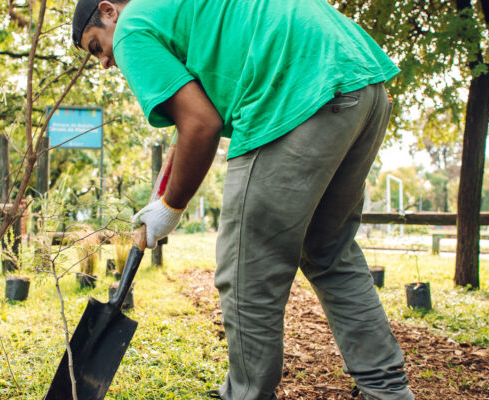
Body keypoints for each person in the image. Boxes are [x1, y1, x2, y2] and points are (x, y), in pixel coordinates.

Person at [71, 0, 414, 399]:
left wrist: (171, 207)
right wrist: (166, 193)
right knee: (328, 250)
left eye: (97, 47)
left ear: (109, 10)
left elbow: (201, 125)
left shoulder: (130, 29)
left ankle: (245, 394)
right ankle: (387, 391)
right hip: (359, 78)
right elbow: (192, 119)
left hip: (292, 89)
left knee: (246, 269)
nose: (106, 62)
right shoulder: (177, 9)